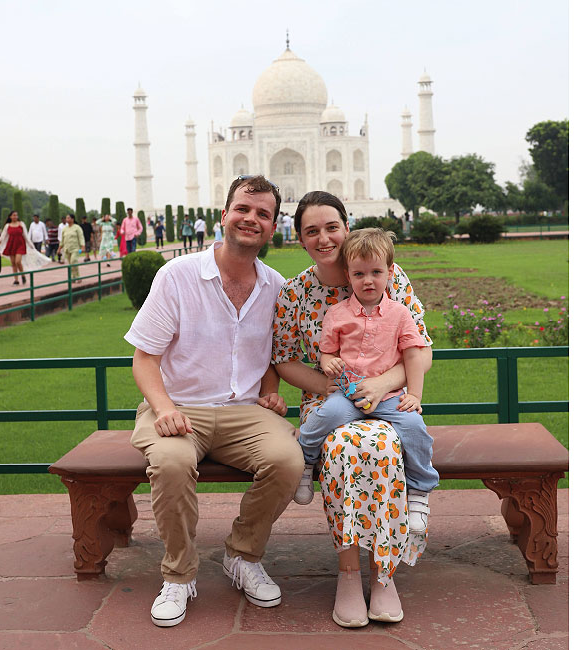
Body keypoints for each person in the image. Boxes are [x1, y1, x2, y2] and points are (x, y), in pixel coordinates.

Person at [124, 175, 303, 628]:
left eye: (263, 213)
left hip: (243, 412)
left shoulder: (275, 286)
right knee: (170, 463)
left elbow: (270, 353)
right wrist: (163, 408)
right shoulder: (178, 276)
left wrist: (270, 393)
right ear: (224, 215)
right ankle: (180, 574)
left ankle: (242, 555)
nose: (251, 219)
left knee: (288, 460)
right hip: (179, 406)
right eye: (244, 208)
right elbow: (145, 359)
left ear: (272, 226)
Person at [273, 190, 431, 629]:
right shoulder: (295, 293)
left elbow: (419, 349)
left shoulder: (386, 274)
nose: (324, 238)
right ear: (299, 238)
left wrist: (379, 385)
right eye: (311, 231)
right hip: (330, 400)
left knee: (378, 447)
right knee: (344, 447)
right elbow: (284, 359)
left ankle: (384, 572)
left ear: (347, 227)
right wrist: (335, 386)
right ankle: (348, 573)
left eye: (331, 227)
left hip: (389, 398)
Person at [293, 227, 436, 533]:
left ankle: (421, 491)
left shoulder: (399, 314)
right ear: (348, 275)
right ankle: (305, 462)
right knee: (324, 416)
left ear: (389, 272)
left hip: (389, 396)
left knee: (415, 429)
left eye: (376, 272)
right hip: (347, 393)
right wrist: (329, 363)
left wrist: (415, 396)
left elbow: (413, 354)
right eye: (359, 274)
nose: (368, 280)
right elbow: (326, 352)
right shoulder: (337, 314)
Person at [0, 211, 28, 283]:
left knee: (18, 261)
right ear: (10, 217)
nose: (15, 217)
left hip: (20, 244)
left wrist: (31, 245)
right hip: (11, 244)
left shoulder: (21, 224)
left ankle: (23, 275)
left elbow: (26, 236)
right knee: (13, 263)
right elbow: (3, 236)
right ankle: (16, 280)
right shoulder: (8, 226)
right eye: (14, 215)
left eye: (16, 215)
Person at [59, 214, 85, 279]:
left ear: (72, 219)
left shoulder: (77, 228)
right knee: (71, 264)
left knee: (74, 261)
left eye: (68, 218)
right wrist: (59, 248)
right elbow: (62, 240)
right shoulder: (65, 229)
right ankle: (72, 277)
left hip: (75, 248)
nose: (67, 219)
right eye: (66, 218)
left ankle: (77, 276)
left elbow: (81, 237)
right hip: (67, 249)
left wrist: (82, 246)